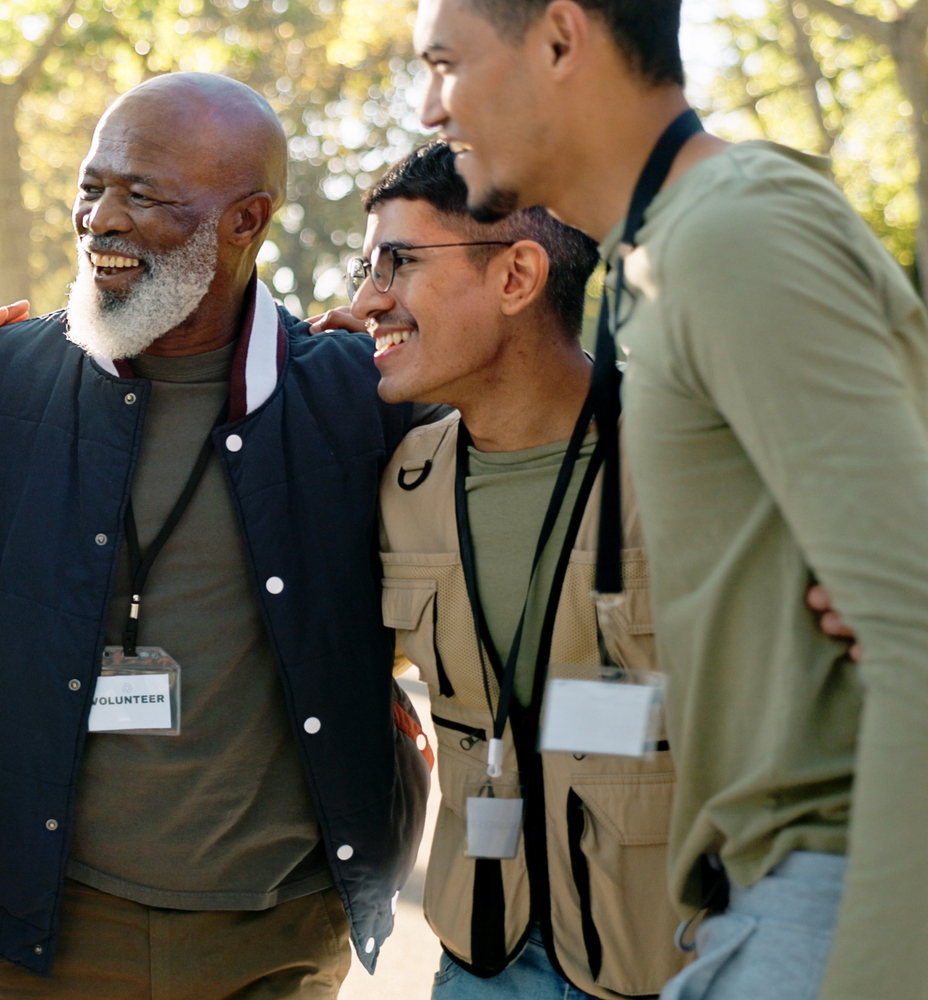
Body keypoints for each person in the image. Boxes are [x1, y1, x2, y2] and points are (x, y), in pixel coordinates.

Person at [411, 1, 928, 997]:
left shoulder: (735, 231)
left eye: (443, 62)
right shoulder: (658, 262)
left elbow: (910, 620)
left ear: (560, 38)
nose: (430, 105)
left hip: (832, 890)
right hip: (759, 900)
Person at [0, 72, 430, 1000]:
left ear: (246, 220)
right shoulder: (1, 377)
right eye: (92, 187)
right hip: (50, 927)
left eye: (144, 195)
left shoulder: (353, 396)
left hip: (279, 927)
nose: (100, 219)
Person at [337, 141, 686, 998]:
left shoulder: (696, 467)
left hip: (679, 960)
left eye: (398, 264)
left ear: (517, 278)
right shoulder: (399, 484)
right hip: (479, 960)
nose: (365, 299)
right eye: (365, 267)